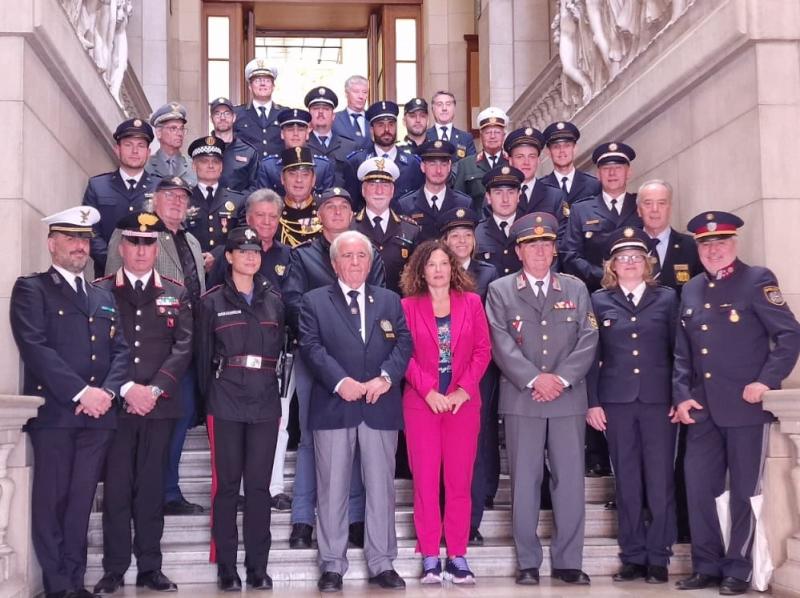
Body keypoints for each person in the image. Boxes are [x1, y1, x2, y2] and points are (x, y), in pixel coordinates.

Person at [672, 211, 800, 595]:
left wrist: (765, 380)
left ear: (734, 244)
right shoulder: (691, 288)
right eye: (706, 244)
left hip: (745, 406)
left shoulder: (757, 280)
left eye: (720, 242)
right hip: (702, 409)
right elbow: (682, 352)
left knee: (745, 490)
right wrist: (681, 396)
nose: (713, 250)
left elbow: (789, 335)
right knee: (698, 488)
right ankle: (706, 565)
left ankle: (738, 568)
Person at [10, 206, 129, 598]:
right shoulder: (32, 289)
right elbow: (36, 347)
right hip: (58, 415)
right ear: (52, 244)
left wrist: (107, 394)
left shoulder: (102, 295)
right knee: (52, 503)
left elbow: (121, 351)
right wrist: (82, 393)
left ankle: (76, 582)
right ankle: (58, 586)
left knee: (80, 504)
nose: (80, 247)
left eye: (84, 240)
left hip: (98, 418)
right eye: (71, 238)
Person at [486, 212, 598, 587]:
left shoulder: (575, 288)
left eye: (546, 244)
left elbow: (588, 339)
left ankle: (569, 561)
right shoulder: (501, 290)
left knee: (569, 481)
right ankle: (528, 561)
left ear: (554, 250)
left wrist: (560, 379)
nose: (539, 250)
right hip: (523, 398)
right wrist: (535, 378)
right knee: (524, 481)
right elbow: (500, 343)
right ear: (519, 251)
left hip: (567, 398)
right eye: (531, 244)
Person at [299, 230, 412, 592]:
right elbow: (312, 347)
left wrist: (385, 378)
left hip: (380, 404)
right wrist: (340, 382)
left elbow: (404, 343)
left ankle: (382, 563)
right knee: (332, 489)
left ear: (371, 262)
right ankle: (332, 564)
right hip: (335, 404)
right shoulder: (314, 301)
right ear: (334, 264)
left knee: (381, 489)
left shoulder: (390, 300)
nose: (355, 263)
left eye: (361, 256)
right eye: (347, 257)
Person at [92, 212, 193, 595]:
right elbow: (98, 349)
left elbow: (182, 349)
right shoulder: (101, 291)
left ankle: (150, 566)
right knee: (117, 490)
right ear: (122, 246)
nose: (140, 250)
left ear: (156, 248)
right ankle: (114, 569)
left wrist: (151, 392)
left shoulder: (176, 292)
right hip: (116, 406)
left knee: (151, 490)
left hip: (159, 407)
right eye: (133, 242)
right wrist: (126, 389)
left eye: (148, 243)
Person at [282, 188, 385, 551]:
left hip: (362, 364)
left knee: (357, 439)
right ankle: (302, 520)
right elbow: (293, 304)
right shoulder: (303, 255)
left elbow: (380, 306)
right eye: (330, 207)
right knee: (312, 441)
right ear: (319, 214)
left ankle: (355, 519)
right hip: (318, 362)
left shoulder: (369, 253)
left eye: (344, 206)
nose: (338, 211)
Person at [106, 176, 206, 516]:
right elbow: (111, 296)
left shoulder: (192, 240)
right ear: (154, 200)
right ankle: (140, 490)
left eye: (182, 197)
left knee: (179, 419)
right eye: (169, 196)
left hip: (183, 349)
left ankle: (169, 489)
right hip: (140, 355)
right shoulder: (136, 234)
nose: (176, 202)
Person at [586, 226, 679, 585]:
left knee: (659, 480)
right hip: (617, 401)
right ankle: (633, 554)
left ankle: (659, 556)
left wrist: (680, 395)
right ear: (612, 265)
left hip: (659, 401)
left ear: (646, 263)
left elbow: (679, 352)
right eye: (622, 258)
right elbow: (592, 356)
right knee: (625, 480)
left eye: (636, 258)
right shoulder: (600, 301)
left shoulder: (667, 298)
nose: (629, 263)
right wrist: (593, 403)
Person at [195, 226, 285, 592]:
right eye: (242, 251)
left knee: (260, 489)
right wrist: (208, 403)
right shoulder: (211, 302)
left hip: (264, 399)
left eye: (256, 251)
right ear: (228, 257)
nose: (250, 256)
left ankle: (258, 567)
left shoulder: (274, 299)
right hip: (226, 398)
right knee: (228, 487)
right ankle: (228, 568)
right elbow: (201, 361)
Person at [399, 239, 491, 584]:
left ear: (454, 268)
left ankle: (457, 554)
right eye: (431, 264)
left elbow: (482, 350)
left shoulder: (471, 303)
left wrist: (464, 390)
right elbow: (402, 354)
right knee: (424, 480)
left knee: (459, 480)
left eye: (443, 263)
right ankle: (428, 556)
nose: (438, 270)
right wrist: (428, 390)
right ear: (420, 270)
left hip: (462, 405)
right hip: (422, 404)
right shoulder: (407, 306)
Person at [559, 141, 642, 478]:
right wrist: (602, 277)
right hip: (596, 300)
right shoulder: (582, 209)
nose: (612, 172)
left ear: (628, 172)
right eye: (606, 168)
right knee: (593, 370)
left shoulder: (639, 207)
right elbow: (570, 253)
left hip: (636, 304)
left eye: (618, 167)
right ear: (598, 173)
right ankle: (596, 452)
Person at [439, 208, 500, 546]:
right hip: (440, 371)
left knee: (476, 445)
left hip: (477, 371)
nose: (461, 241)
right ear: (444, 243)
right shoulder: (433, 272)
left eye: (467, 235)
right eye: (454, 236)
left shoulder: (488, 274)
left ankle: (471, 520)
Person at [83, 117, 160, 277]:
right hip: (107, 276)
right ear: (117, 149)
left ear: (149, 152)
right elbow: (89, 230)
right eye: (128, 145)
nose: (135, 151)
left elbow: (167, 234)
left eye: (141, 146)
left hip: (150, 276)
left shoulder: (160, 188)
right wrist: (113, 261)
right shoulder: (98, 186)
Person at [351, 157, 420, 293]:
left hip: (399, 307)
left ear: (392, 191)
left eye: (385, 185)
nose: (379, 191)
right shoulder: (349, 228)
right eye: (373, 184)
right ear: (363, 190)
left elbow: (416, 276)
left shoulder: (411, 230)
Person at [344, 101, 424, 208]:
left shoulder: (413, 163)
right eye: (381, 125)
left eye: (391, 124)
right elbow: (352, 204)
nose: (387, 130)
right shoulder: (357, 162)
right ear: (372, 130)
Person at [394, 140, 471, 242]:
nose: (438, 170)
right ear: (422, 167)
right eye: (432, 164)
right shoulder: (405, 205)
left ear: (449, 167)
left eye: (443, 165)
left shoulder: (464, 203)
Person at [185, 135, 246, 257]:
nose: (211, 166)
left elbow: (241, 238)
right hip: (192, 267)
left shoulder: (238, 200)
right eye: (204, 161)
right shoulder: (184, 199)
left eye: (215, 162)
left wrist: (216, 256)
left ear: (221, 167)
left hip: (224, 268)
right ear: (194, 166)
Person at [637, 179, 701, 295]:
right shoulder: (627, 248)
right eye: (648, 203)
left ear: (670, 208)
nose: (655, 209)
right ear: (638, 210)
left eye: (661, 203)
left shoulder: (692, 247)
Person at [257, 108, 335, 196]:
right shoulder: (268, 167)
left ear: (307, 134)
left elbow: (327, 202)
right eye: (290, 130)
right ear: (282, 134)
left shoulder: (323, 166)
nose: (295, 134)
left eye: (301, 130)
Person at [452, 107, 509, 211]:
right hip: (476, 225)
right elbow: (458, 200)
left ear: (503, 135)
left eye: (497, 132)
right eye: (488, 132)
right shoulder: (466, 164)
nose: (492, 136)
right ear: (481, 135)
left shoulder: (512, 162)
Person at [474, 165, 526, 277]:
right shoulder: (477, 233)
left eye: (511, 192)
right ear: (488, 197)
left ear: (518, 196)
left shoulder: (529, 229)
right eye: (498, 193)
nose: (505, 199)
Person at [504, 126, 567, 219]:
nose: (526, 162)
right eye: (520, 157)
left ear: (538, 160)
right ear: (510, 161)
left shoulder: (554, 196)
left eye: (532, 156)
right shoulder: (498, 196)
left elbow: (563, 231)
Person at [304, 86, 358, 187]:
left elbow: (354, 184)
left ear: (333, 116)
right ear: (309, 115)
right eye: (315, 109)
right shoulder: (302, 145)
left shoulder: (349, 146)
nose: (320, 112)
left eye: (326, 109)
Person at [540, 121, 601, 206]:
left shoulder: (594, 185)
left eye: (567, 146)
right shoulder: (540, 188)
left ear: (575, 149)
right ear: (548, 152)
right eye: (556, 147)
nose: (562, 151)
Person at [234, 59, 284, 159]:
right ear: (250, 87)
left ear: (273, 86)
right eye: (257, 80)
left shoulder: (284, 114)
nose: (262, 84)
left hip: (277, 172)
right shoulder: (237, 114)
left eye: (267, 80)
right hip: (247, 172)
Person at [209, 97, 259, 194]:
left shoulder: (248, 152)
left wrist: (237, 202)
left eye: (227, 113)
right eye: (217, 113)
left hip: (240, 207)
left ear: (234, 117)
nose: (222, 117)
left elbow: (254, 188)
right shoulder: (203, 151)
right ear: (211, 119)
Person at [277, 146, 323, 247]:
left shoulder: (324, 208)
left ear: (313, 179)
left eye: (305, 174)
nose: (299, 180)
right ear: (282, 178)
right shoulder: (273, 210)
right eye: (292, 174)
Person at [145, 102, 196, 186]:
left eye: (181, 129)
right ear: (159, 132)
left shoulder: (193, 166)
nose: (179, 133)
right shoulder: (146, 165)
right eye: (173, 128)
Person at [426, 90, 476, 161]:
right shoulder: (425, 136)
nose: (444, 108)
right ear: (432, 109)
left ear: (454, 108)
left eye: (448, 104)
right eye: (439, 104)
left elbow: (471, 166)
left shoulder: (466, 138)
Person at [331, 74, 370, 147]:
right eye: (356, 92)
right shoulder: (334, 119)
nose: (361, 96)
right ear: (346, 93)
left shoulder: (372, 119)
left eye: (364, 92)